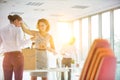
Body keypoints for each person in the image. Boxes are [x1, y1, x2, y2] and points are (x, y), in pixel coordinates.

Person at [0, 14, 31, 80]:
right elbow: (20, 44)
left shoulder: (1, 30)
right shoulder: (18, 29)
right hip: (17, 57)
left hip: (6, 57)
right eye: (20, 23)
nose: (20, 25)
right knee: (18, 78)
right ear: (16, 21)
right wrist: (31, 39)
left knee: (7, 78)